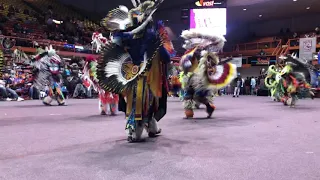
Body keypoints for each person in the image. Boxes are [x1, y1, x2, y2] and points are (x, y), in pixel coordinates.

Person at [95, 0, 175, 142]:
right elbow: (167, 57)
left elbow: (116, 43)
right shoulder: (150, 36)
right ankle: (141, 128)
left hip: (134, 76)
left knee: (140, 104)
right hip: (144, 78)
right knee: (147, 103)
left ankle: (142, 128)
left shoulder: (128, 37)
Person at [179, 29, 237, 118]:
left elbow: (212, 65)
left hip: (199, 79)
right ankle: (191, 112)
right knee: (190, 95)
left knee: (196, 96)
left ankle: (205, 108)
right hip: (192, 78)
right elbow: (185, 65)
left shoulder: (206, 55)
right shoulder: (190, 54)